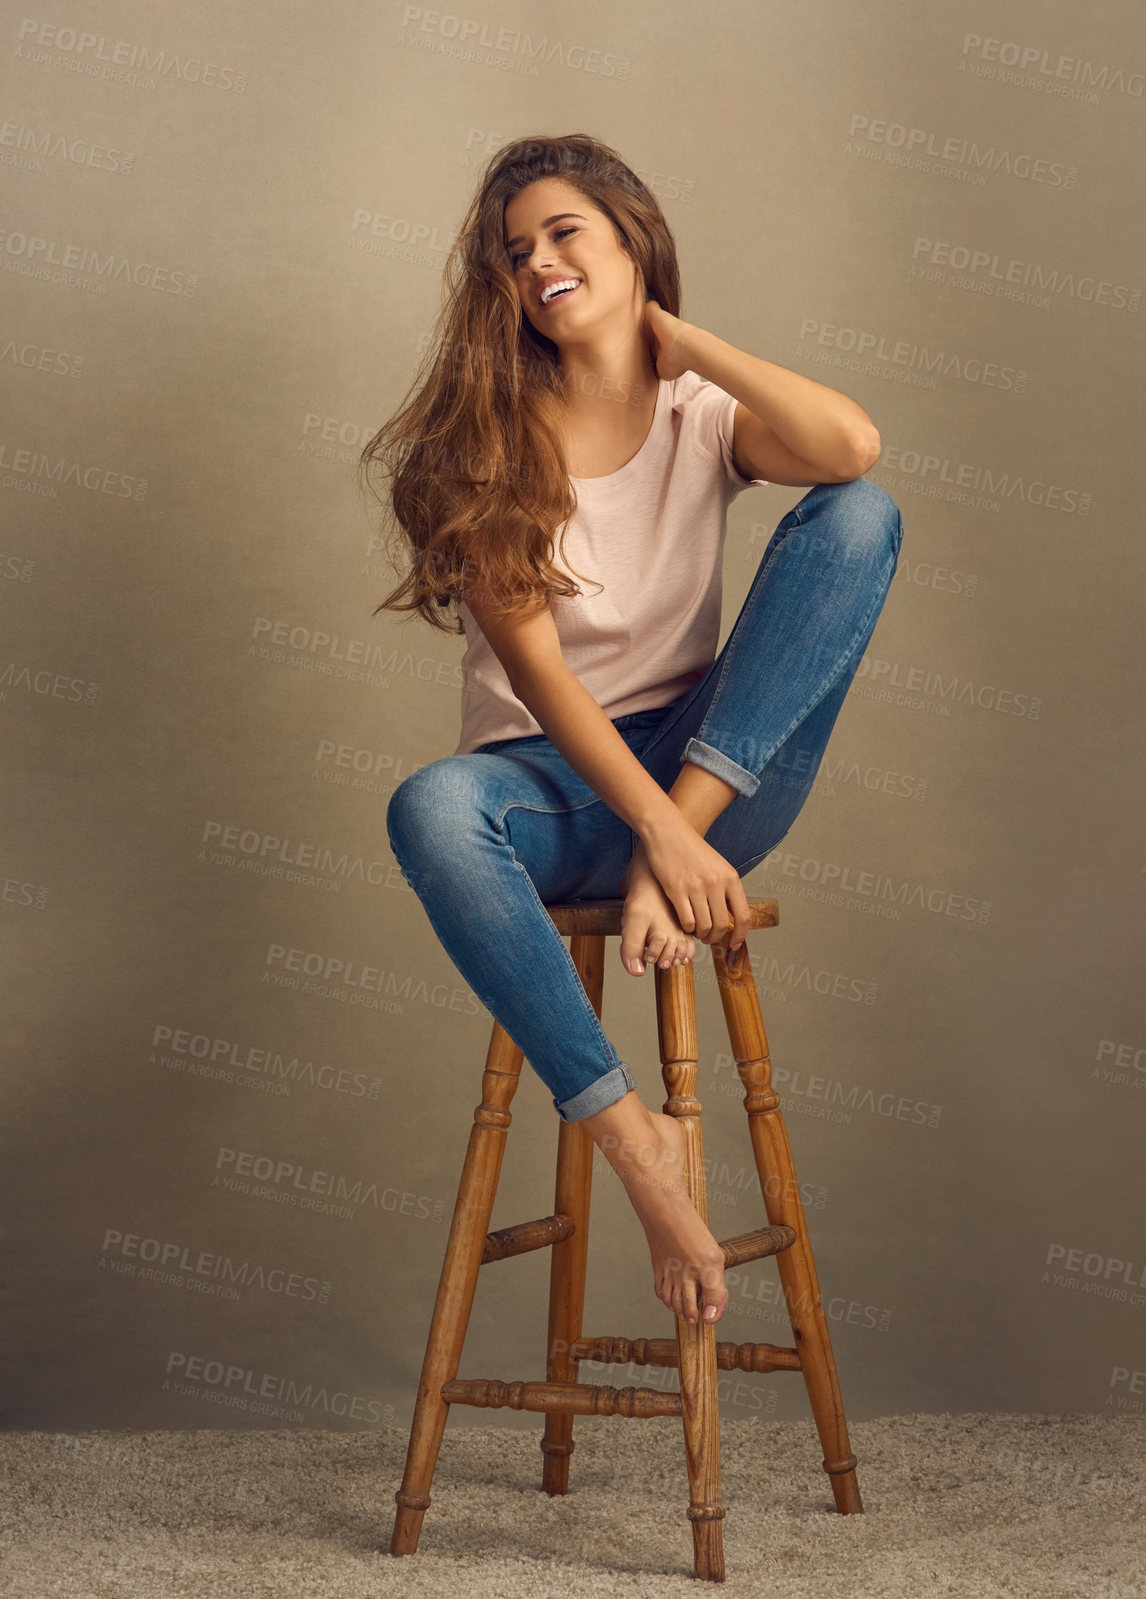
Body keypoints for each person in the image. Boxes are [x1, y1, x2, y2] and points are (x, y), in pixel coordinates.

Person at [360, 133, 903, 1331]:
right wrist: (656, 838)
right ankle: (631, 1141)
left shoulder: (700, 412)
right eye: (513, 254)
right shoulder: (483, 447)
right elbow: (544, 683)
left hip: (717, 768)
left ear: (630, 241)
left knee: (859, 518)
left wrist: (687, 344)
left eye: (564, 233)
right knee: (430, 810)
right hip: (553, 796)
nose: (538, 262)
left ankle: (684, 836)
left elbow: (850, 453)